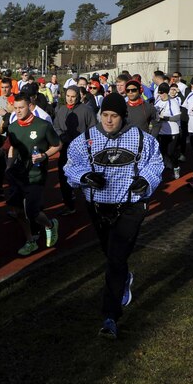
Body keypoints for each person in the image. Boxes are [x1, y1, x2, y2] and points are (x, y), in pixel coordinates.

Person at [64, 93, 164, 340]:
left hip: (131, 206)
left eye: (114, 116)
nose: (109, 121)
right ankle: (124, 278)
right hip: (98, 207)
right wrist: (85, 177)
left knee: (116, 258)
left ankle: (110, 317)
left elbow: (156, 164)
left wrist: (145, 181)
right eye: (105, 115)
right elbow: (71, 166)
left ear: (123, 116)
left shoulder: (143, 139)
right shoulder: (84, 140)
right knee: (111, 254)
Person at [7, 92, 62, 256]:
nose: (17, 111)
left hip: (36, 174)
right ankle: (30, 240)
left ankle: (50, 224)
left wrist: (45, 155)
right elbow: (13, 147)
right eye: (15, 108)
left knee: (32, 211)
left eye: (21, 108)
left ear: (29, 106)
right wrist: (9, 166)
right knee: (17, 211)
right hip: (17, 174)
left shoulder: (42, 125)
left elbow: (58, 145)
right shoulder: (13, 126)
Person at [53, 85, 97, 214]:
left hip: (82, 151)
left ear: (78, 96)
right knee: (63, 177)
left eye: (73, 97)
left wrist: (85, 143)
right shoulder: (61, 110)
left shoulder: (86, 110)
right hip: (65, 149)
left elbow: (93, 128)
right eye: (68, 96)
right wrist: (62, 136)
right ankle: (69, 205)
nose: (70, 99)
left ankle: (92, 202)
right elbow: (56, 126)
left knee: (85, 178)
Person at [153, 82, 183, 180]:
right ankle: (166, 168)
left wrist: (165, 118)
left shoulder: (172, 102)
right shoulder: (157, 101)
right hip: (161, 131)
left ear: (167, 92)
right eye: (159, 93)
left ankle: (176, 167)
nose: (161, 95)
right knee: (162, 152)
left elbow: (178, 117)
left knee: (171, 152)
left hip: (172, 132)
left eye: (162, 93)